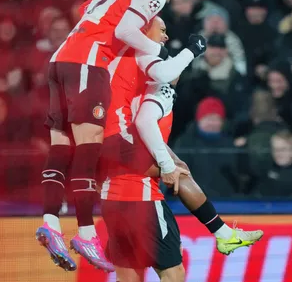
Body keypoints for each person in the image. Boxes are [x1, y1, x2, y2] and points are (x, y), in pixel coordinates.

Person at [36, 0, 193, 272]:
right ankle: (85, 233)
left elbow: (87, 9)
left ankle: (51, 222)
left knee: (61, 149)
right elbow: (123, 32)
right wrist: (159, 49)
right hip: (87, 62)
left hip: (60, 59)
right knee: (89, 150)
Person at [100, 17, 263, 282]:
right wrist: (193, 50)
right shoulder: (156, 86)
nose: (165, 38)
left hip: (111, 196)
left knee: (128, 277)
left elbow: (139, 129)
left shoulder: (130, 78)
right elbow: (147, 113)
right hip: (139, 196)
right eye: (162, 31)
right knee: (173, 272)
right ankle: (223, 234)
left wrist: (170, 158)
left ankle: (224, 234)